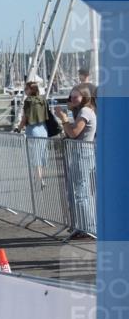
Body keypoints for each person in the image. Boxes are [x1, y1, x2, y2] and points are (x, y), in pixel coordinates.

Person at [56, 83, 97, 239]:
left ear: (84, 96)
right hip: (80, 153)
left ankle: (86, 227)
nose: (72, 98)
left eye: (76, 96)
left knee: (81, 192)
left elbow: (73, 133)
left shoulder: (86, 111)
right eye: (71, 96)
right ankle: (82, 226)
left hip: (83, 154)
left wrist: (64, 119)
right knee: (79, 191)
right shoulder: (81, 111)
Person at [16, 78, 49, 188]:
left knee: (35, 156)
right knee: (41, 154)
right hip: (43, 130)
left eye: (26, 89)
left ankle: (40, 180)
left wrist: (19, 129)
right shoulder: (42, 100)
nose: (25, 90)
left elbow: (25, 118)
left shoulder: (28, 101)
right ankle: (40, 177)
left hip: (33, 130)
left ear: (31, 90)